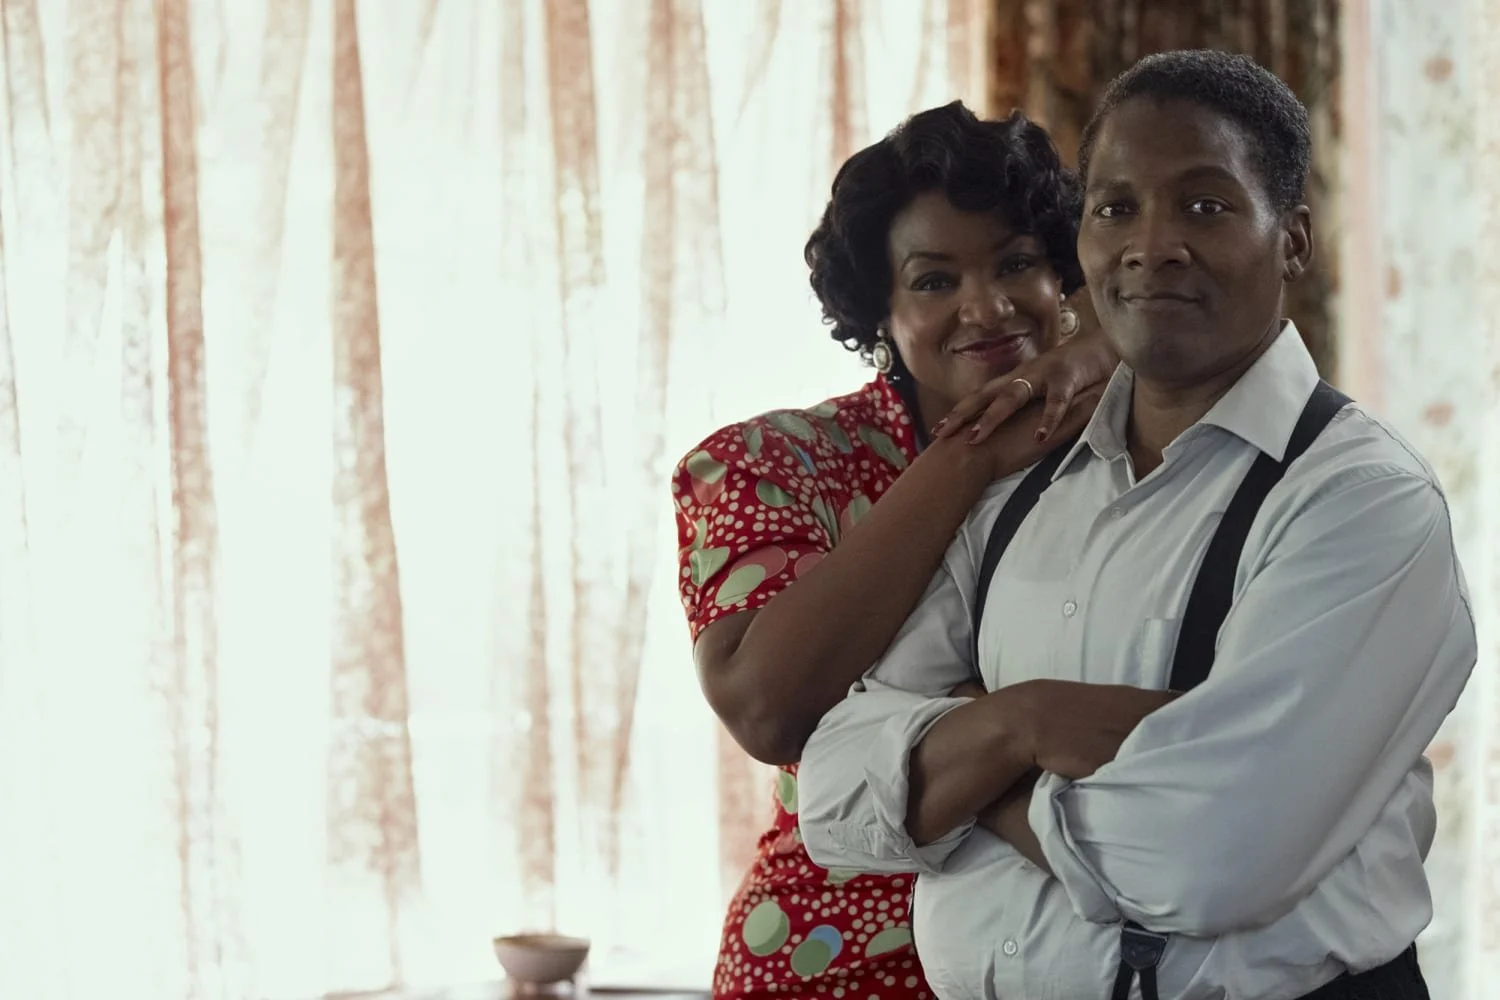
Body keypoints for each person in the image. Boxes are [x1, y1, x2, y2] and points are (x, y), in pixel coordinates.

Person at [796, 50, 1475, 1000]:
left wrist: (962, 765)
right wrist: (1029, 724)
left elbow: (1204, 857)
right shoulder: (1016, 488)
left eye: (1204, 205)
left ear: (1293, 240)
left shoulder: (1360, 501)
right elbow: (832, 793)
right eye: (1115, 208)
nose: (1152, 246)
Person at [670, 103, 1122, 1000]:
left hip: (1081, 953)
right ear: (879, 307)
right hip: (841, 959)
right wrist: (973, 453)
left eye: (1016, 263)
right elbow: (767, 710)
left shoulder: (1137, 447)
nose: (986, 307)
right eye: (934, 280)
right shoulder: (773, 464)